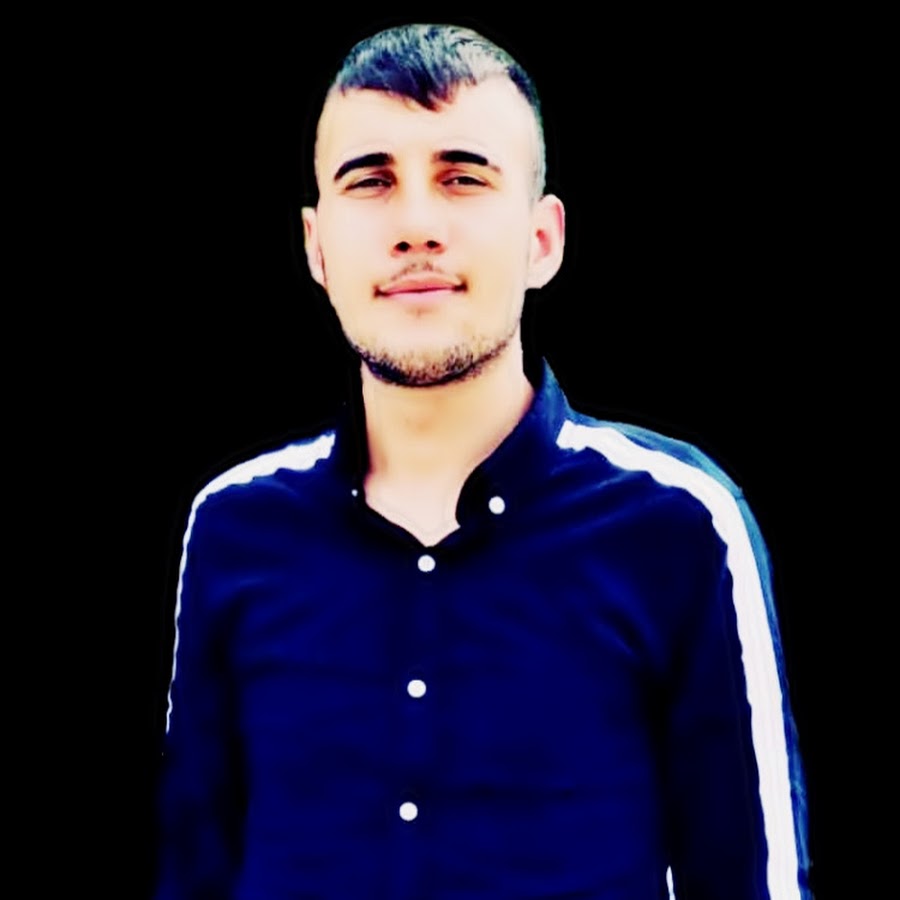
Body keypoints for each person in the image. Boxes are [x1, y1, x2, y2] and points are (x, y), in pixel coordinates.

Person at [156, 23, 811, 899]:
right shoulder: (232, 527)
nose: (416, 226)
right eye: (371, 181)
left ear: (544, 240)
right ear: (316, 247)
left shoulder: (680, 525)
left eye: (462, 178)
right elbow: (191, 870)